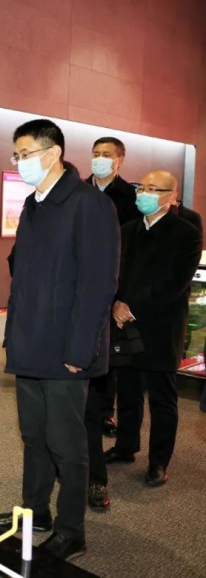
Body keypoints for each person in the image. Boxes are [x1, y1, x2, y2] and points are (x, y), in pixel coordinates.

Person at [0, 119, 119, 561]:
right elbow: (23, 274)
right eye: (16, 155)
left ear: (52, 154)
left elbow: (98, 284)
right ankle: (35, 510)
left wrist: (80, 350)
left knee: (66, 444)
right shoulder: (34, 203)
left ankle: (72, 530)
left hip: (66, 349)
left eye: (25, 154)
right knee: (34, 435)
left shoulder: (89, 204)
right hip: (30, 342)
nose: (19, 163)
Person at [105, 170, 202, 487]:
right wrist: (116, 304)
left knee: (162, 399)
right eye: (141, 188)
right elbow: (114, 273)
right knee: (127, 392)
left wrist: (130, 307)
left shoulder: (186, 234)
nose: (143, 194)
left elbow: (173, 283)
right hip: (124, 324)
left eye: (153, 189)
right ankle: (125, 446)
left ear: (171, 197)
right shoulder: (128, 229)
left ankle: (159, 461)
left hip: (161, 327)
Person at [85, 137, 143, 438]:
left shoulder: (132, 198)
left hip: (113, 285)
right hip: (80, 283)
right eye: (96, 153)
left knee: (108, 354)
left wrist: (122, 295)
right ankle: (79, 407)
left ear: (120, 159)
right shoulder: (78, 191)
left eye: (106, 154)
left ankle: (104, 412)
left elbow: (135, 251)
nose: (100, 159)